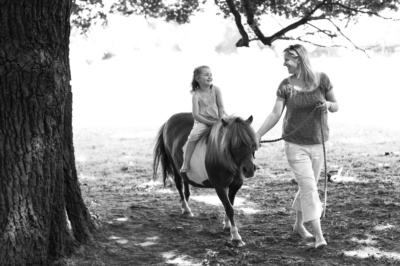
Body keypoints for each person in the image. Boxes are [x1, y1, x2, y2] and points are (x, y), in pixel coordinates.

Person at [256, 44, 338, 249]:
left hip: (318, 144)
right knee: (310, 187)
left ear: (299, 59)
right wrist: (257, 134)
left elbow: (336, 105)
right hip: (294, 145)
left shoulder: (322, 79)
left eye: (287, 60)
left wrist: (328, 105)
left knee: (307, 186)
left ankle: (298, 225)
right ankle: (319, 237)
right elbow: (275, 113)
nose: (284, 63)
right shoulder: (286, 85)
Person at [180, 65, 226, 173]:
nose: (210, 77)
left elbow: (221, 106)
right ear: (197, 78)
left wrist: (220, 120)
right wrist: (210, 123)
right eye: (206, 75)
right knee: (193, 136)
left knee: (234, 128)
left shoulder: (216, 90)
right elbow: (196, 115)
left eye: (211, 74)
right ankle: (186, 162)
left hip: (218, 118)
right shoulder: (196, 96)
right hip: (203, 121)